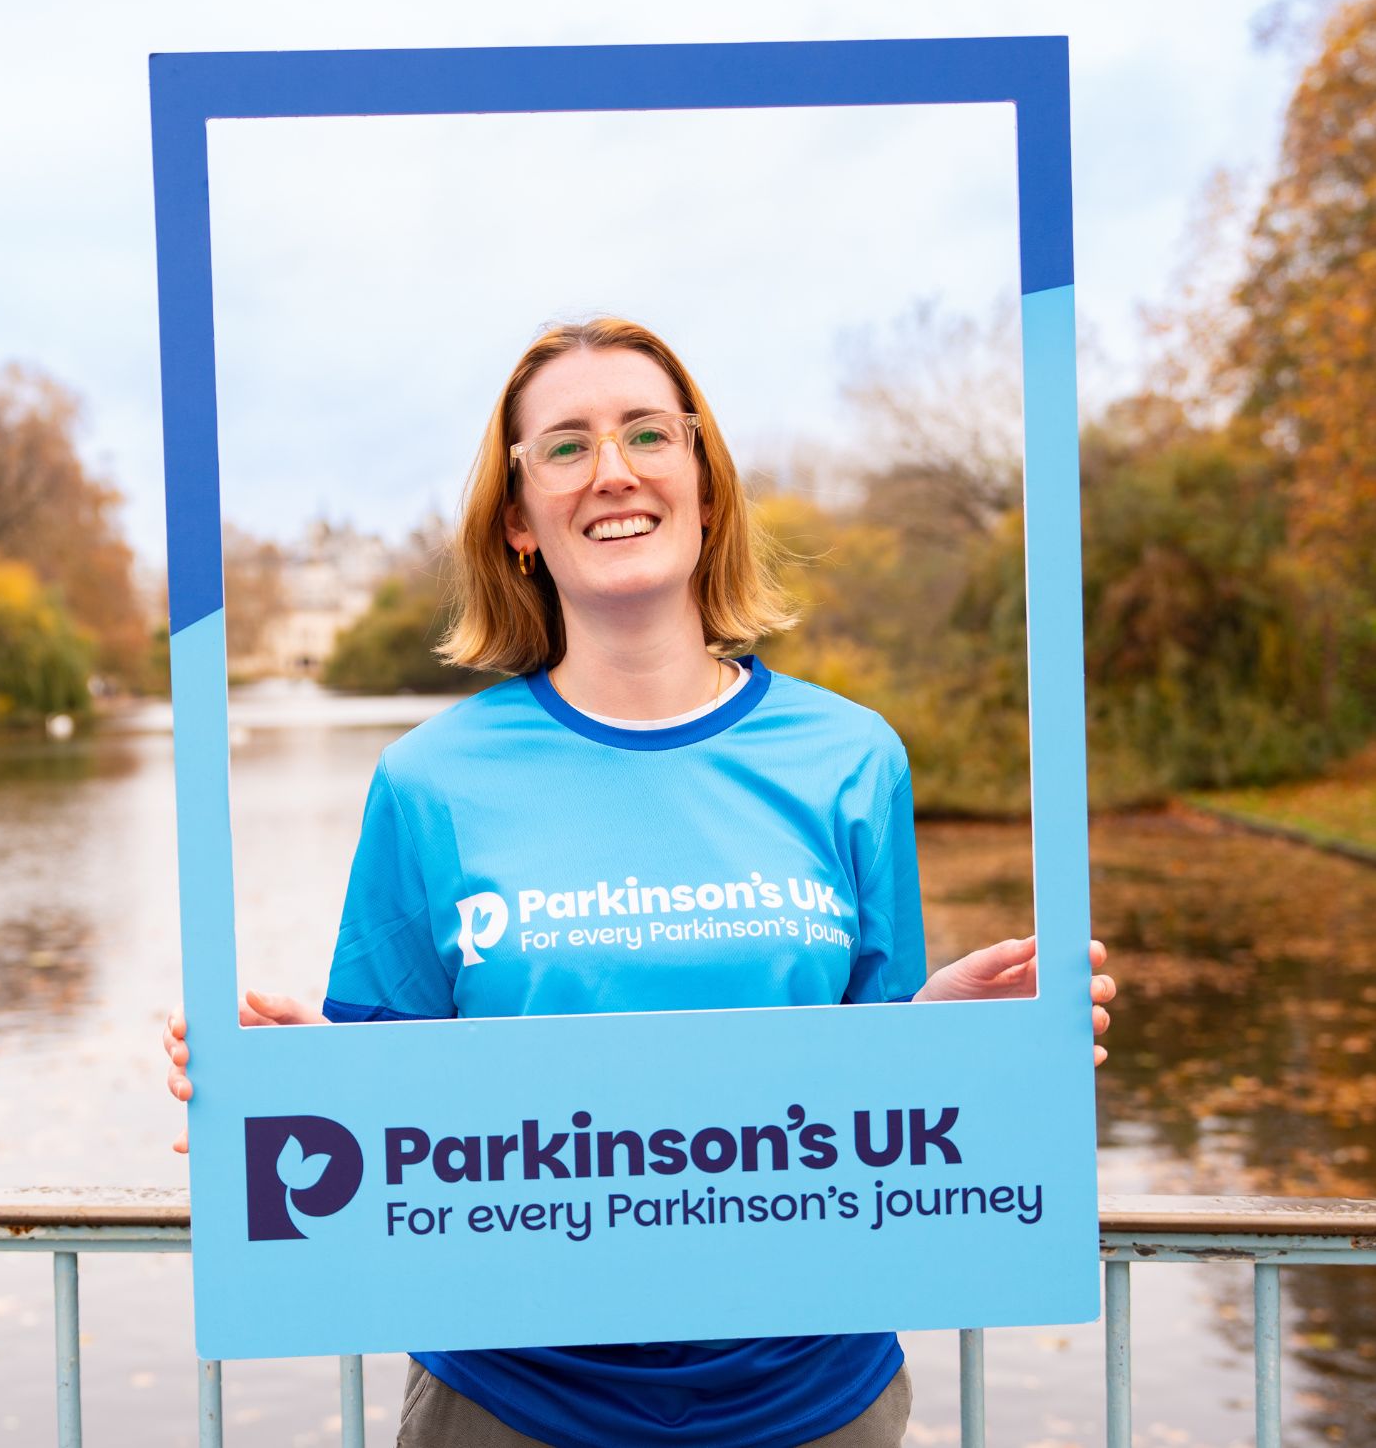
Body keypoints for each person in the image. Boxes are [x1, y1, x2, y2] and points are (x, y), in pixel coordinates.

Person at [164, 317, 1115, 1448]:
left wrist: (948, 1037)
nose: (612, 470)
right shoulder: (429, 781)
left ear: (704, 486)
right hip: (513, 1401)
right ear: (518, 520)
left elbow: (873, 1108)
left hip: (810, 1398)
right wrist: (289, 1085)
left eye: (648, 434)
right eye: (564, 446)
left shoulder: (852, 758)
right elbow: (392, 1121)